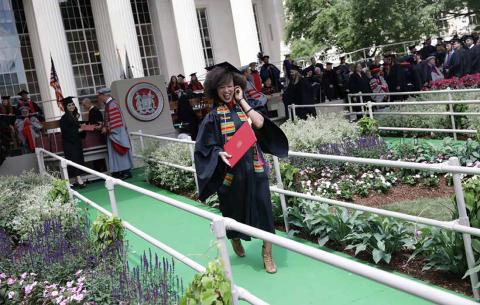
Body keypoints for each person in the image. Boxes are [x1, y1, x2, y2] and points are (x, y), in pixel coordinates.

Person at [194, 61, 289, 274]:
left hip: (255, 169)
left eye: (229, 85)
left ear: (236, 85)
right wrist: (218, 152)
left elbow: (261, 124)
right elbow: (204, 147)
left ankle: (267, 253)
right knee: (232, 211)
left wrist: (243, 101)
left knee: (265, 210)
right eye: (221, 87)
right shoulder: (213, 117)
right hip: (231, 174)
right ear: (215, 90)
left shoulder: (244, 107)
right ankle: (235, 236)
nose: (226, 91)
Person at [98, 88, 133, 180]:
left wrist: (107, 128)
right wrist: (104, 125)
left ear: (104, 95)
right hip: (114, 133)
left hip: (117, 134)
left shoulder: (112, 105)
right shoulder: (110, 104)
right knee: (116, 153)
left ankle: (126, 171)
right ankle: (120, 171)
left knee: (119, 152)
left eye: (100, 96)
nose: (99, 98)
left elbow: (116, 122)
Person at [59, 97, 86, 188]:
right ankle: (78, 180)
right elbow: (66, 132)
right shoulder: (64, 118)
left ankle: (77, 179)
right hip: (70, 144)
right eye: (69, 105)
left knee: (77, 160)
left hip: (76, 142)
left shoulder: (73, 116)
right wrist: (79, 130)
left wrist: (83, 128)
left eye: (72, 105)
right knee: (74, 160)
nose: (71, 106)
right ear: (66, 107)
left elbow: (77, 129)